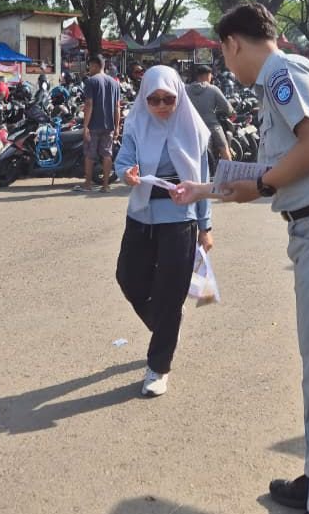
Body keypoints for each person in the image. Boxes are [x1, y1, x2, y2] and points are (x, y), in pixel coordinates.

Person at [171, 3, 309, 514]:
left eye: (224, 55)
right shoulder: (281, 78)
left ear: (233, 44)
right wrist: (205, 188)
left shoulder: (282, 74)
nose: (226, 66)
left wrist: (263, 184)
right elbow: (279, 166)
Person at [114, 65, 213, 397]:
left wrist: (205, 226)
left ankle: (158, 367)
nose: (160, 106)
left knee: (170, 291)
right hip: (141, 214)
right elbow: (124, 160)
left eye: (167, 99)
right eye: (153, 99)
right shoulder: (135, 124)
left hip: (180, 219)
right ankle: (166, 325)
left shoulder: (193, 129)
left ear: (178, 97)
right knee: (128, 278)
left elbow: (203, 181)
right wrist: (126, 174)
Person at [75, 54, 120, 193]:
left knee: (90, 155)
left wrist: (85, 126)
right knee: (107, 154)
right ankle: (105, 186)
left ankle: (88, 184)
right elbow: (117, 107)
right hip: (109, 125)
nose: (89, 69)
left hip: (93, 125)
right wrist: (117, 127)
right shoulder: (114, 83)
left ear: (95, 65)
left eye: (90, 66)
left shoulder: (91, 81)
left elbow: (89, 104)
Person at [186, 64, 234, 163]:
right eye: (210, 75)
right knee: (224, 149)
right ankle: (229, 170)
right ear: (207, 75)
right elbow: (227, 108)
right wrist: (231, 112)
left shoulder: (186, 90)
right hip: (212, 126)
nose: (211, 77)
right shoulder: (213, 89)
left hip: (192, 127)